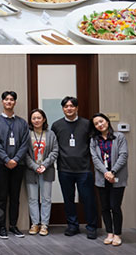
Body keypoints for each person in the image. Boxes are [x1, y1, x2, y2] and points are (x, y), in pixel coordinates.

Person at [51, 96, 98, 238]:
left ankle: (91, 227)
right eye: (66, 106)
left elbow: (94, 144)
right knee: (68, 199)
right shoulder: (56, 125)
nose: (69, 109)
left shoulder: (87, 124)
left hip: (84, 169)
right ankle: (73, 226)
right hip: (65, 169)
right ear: (63, 109)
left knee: (88, 198)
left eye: (72, 106)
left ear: (77, 108)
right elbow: (54, 146)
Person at [0, 91, 30, 239]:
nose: (9, 102)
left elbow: (25, 143)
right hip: (1, 164)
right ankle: (1, 227)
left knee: (15, 196)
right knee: (1, 196)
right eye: (6, 99)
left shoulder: (22, 123)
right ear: (2, 102)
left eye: (11, 100)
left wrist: (16, 159)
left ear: (15, 103)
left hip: (18, 165)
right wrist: (7, 159)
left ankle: (13, 225)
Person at [90, 113, 128, 247]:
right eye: (96, 124)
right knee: (105, 207)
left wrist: (112, 172)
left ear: (107, 121)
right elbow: (95, 158)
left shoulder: (119, 137)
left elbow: (123, 155)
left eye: (101, 121)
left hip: (117, 177)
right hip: (102, 177)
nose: (100, 125)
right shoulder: (94, 140)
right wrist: (106, 173)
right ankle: (109, 233)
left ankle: (117, 234)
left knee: (115, 206)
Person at [25, 108, 58, 236]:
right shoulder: (27, 134)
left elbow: (55, 151)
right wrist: (34, 166)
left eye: (39, 118)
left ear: (44, 119)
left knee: (46, 198)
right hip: (31, 171)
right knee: (32, 198)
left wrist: (44, 165)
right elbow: (25, 153)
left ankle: (44, 224)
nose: (36, 120)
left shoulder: (51, 134)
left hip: (47, 170)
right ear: (31, 120)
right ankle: (35, 224)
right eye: (34, 118)